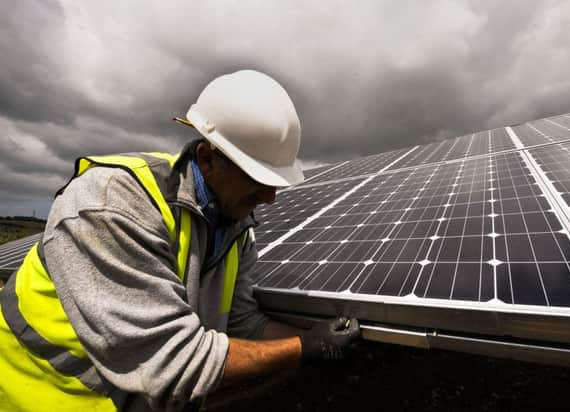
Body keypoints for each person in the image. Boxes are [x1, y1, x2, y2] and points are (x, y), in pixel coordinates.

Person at [0, 70, 360, 411]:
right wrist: (303, 349)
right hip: (39, 397)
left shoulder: (236, 229)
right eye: (257, 178)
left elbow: (244, 324)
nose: (270, 198)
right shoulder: (112, 205)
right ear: (207, 158)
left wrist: (317, 337)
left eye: (275, 182)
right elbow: (173, 365)